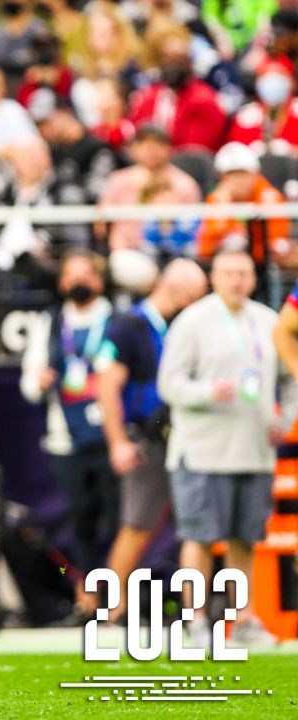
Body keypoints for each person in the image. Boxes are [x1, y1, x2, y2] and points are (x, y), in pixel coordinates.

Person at [158, 251, 282, 647]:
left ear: (253, 278)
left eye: (243, 273)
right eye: (228, 273)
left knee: (245, 537)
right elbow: (170, 384)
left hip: (254, 449)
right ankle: (194, 623)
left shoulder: (269, 320)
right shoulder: (192, 322)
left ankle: (243, 620)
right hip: (202, 450)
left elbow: (291, 376)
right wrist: (207, 392)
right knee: (199, 536)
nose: (236, 280)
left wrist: (285, 419)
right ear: (213, 277)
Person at [93, 259, 207, 618]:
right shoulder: (129, 326)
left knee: (196, 524)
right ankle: (109, 606)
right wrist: (118, 442)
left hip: (184, 434)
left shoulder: (179, 325)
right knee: (137, 524)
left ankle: (197, 609)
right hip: (146, 437)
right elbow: (107, 386)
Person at [19, 250, 116, 616]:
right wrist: (40, 381)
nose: (78, 283)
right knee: (80, 522)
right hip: (66, 436)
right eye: (71, 275)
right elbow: (29, 384)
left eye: (85, 274)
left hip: (111, 435)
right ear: (61, 283)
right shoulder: (50, 322)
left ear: (99, 279)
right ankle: (87, 597)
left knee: (117, 518)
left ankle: (118, 593)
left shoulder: (116, 317)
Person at [98, 124, 202, 253]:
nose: (151, 150)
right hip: (126, 251)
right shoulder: (118, 181)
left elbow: (194, 228)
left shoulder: (185, 184)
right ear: (134, 149)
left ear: (169, 148)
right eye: (145, 144)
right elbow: (101, 225)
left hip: (173, 252)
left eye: (158, 143)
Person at [126, 21, 226, 153]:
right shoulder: (146, 97)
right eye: (168, 58)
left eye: (180, 59)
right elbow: (134, 137)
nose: (173, 65)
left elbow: (194, 152)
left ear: (189, 60)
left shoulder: (204, 100)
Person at [197, 142, 295, 271]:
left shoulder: (269, 197)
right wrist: (223, 211)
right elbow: (206, 248)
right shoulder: (217, 199)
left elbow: (276, 242)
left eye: (243, 174)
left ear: (255, 174)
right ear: (222, 177)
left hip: (264, 267)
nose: (239, 181)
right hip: (227, 265)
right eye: (232, 175)